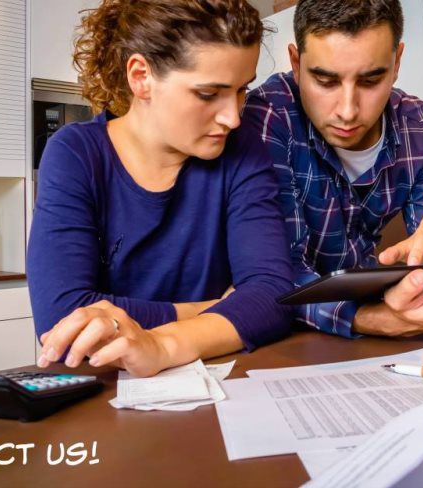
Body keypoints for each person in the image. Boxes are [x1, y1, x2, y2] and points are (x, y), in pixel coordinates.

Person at [27, 0, 293, 377]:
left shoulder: (242, 149)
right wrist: (214, 310)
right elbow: (63, 319)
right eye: (208, 94)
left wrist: (162, 345)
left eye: (240, 90)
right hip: (107, 386)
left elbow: (273, 295)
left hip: (220, 380)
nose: (232, 117)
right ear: (141, 77)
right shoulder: (76, 154)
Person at [244, 0, 423, 338]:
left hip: (366, 321)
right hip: (283, 331)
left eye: (370, 81)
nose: (347, 111)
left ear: (396, 63)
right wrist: (375, 320)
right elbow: (276, 275)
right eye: (325, 81)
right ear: (296, 62)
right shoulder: (267, 118)